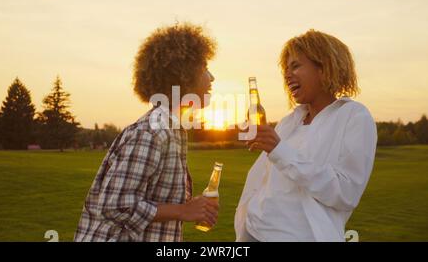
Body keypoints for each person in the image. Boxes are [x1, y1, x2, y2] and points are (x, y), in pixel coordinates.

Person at [74, 23, 218, 242]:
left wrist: (190, 206)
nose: (212, 77)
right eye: (205, 67)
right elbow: (116, 205)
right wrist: (183, 211)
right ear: (184, 74)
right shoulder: (152, 133)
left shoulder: (172, 130)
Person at [235, 29, 377, 242]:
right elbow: (263, 183)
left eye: (296, 66)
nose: (287, 75)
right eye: (286, 68)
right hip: (254, 233)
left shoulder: (354, 116)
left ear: (324, 68)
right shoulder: (288, 122)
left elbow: (345, 192)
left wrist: (279, 150)